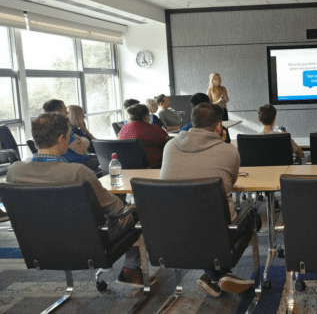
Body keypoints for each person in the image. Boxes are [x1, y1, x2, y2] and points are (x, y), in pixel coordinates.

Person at [6, 112, 144, 287]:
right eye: (69, 134)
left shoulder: (15, 171)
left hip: (39, 245)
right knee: (135, 209)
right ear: (61, 138)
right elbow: (116, 209)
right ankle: (130, 270)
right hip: (87, 244)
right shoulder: (77, 172)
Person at [160, 102, 259, 296]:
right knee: (252, 215)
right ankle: (218, 273)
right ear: (218, 127)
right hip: (218, 232)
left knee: (199, 221)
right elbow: (231, 180)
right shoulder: (229, 151)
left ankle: (213, 276)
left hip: (172, 230)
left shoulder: (170, 146)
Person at [42, 100, 99, 172]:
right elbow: (83, 151)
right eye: (65, 110)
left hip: (65, 165)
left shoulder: (44, 128)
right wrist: (85, 140)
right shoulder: (62, 129)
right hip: (77, 165)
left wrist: (83, 138)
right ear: (58, 112)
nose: (67, 112)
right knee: (109, 160)